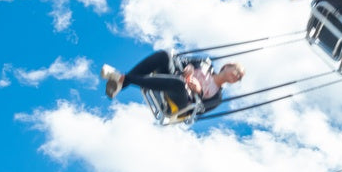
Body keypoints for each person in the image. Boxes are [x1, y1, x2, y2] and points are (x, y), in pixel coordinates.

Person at [99, 50, 244, 113]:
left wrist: (198, 90)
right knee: (165, 55)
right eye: (236, 71)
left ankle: (122, 78)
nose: (236, 76)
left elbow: (200, 110)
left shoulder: (217, 97)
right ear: (227, 66)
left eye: (239, 78)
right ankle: (120, 82)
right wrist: (189, 68)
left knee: (180, 84)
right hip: (172, 78)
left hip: (179, 99)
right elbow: (182, 60)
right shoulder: (205, 64)